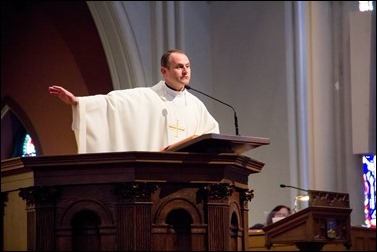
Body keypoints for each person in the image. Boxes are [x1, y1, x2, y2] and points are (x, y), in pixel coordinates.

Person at [49, 49, 220, 153]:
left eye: (187, 66)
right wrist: (77, 102)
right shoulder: (146, 97)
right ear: (164, 71)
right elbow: (111, 104)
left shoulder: (196, 105)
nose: (185, 71)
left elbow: (212, 135)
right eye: (179, 66)